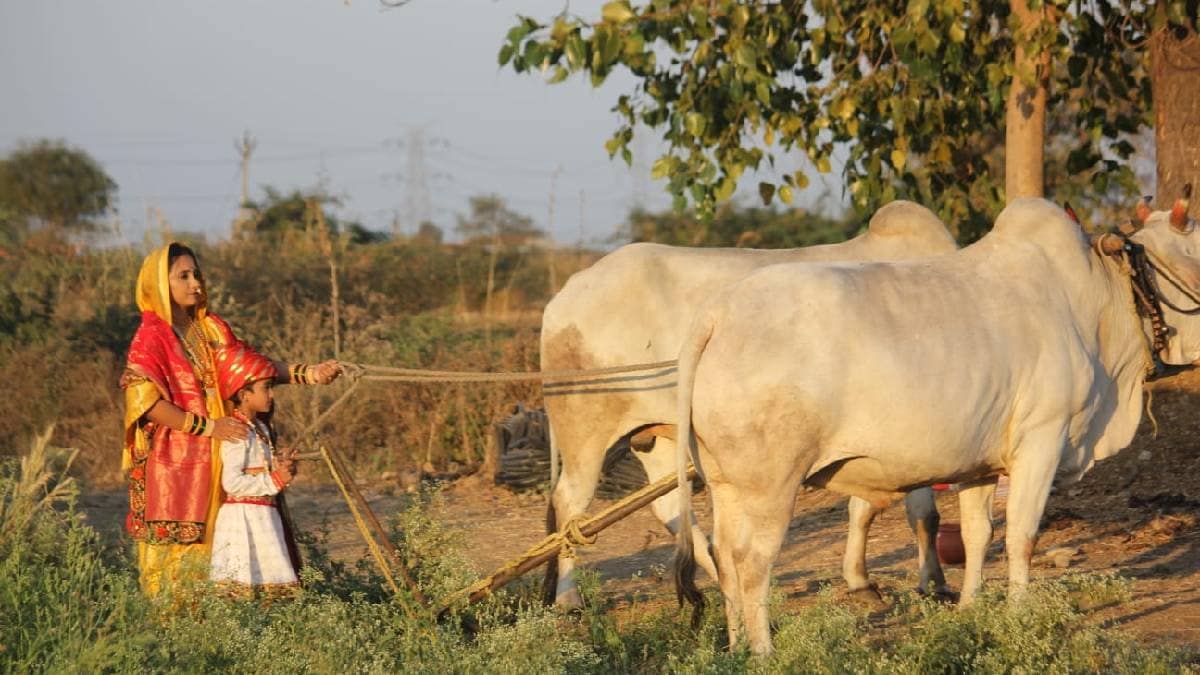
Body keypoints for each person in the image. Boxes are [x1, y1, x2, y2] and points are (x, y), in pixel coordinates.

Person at [120, 241, 340, 595]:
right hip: (176, 462)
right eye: (184, 276)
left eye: (197, 275)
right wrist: (208, 427)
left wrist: (310, 373)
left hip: (225, 452)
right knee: (180, 554)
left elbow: (251, 370)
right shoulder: (150, 338)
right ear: (161, 284)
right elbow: (145, 404)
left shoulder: (211, 329)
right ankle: (178, 630)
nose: (196, 284)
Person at [209, 339, 300, 597]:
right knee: (241, 588)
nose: (271, 395)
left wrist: (282, 467)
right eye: (265, 388)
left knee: (270, 591)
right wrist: (274, 481)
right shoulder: (236, 431)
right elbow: (233, 483)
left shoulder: (260, 429)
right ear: (243, 394)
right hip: (243, 519)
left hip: (263, 516)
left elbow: (264, 471)